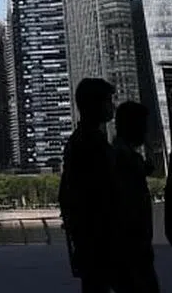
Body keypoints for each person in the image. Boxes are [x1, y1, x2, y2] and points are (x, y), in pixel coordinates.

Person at [58, 77, 122, 293]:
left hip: (91, 234)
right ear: (95, 105)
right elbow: (102, 190)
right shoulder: (89, 143)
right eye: (108, 101)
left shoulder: (82, 140)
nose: (112, 106)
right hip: (99, 235)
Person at [112, 100, 161, 293]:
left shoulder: (123, 154)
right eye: (143, 126)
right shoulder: (125, 158)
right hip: (132, 244)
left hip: (132, 243)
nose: (145, 131)